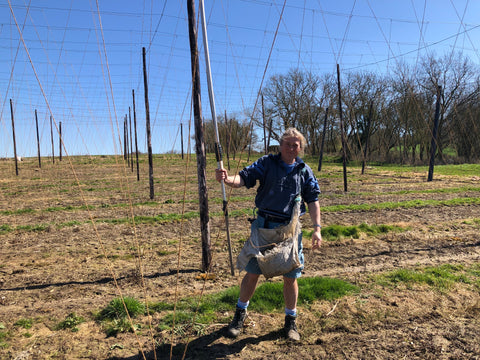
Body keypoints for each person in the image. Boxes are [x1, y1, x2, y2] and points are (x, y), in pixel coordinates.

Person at [215, 127, 322, 341]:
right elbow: (244, 178)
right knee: (252, 273)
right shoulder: (267, 163)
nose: (292, 148)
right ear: (280, 146)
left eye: (296, 144)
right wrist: (227, 179)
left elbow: (313, 200)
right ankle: (239, 315)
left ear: (300, 147)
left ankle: (290, 321)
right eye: (288, 144)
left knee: (290, 277)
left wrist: (317, 228)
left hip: (290, 231)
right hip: (263, 228)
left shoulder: (304, 170)